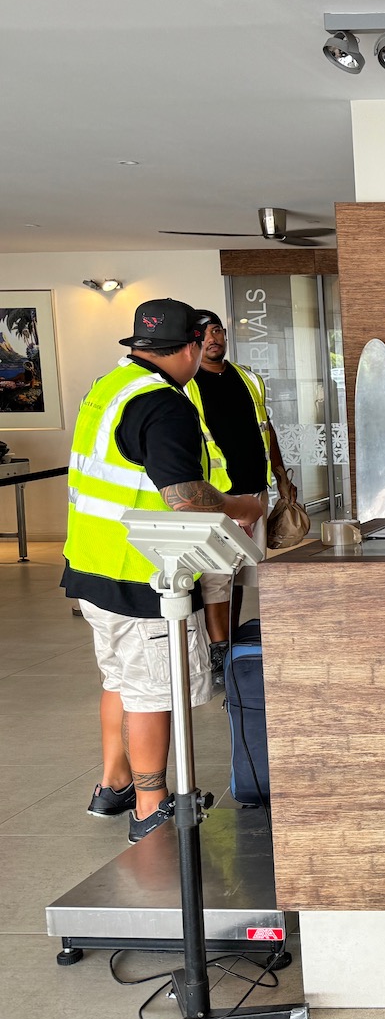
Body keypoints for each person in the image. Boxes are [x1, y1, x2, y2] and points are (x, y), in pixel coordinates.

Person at [61, 300, 265, 843]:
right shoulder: (163, 404)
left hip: (93, 563)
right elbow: (185, 498)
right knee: (154, 690)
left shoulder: (110, 385)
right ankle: (151, 807)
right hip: (142, 574)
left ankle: (115, 783)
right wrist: (244, 507)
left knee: (122, 679)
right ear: (194, 344)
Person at [184, 310, 293, 676]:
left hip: (253, 491)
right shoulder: (187, 384)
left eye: (216, 331)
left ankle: (231, 639)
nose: (212, 339)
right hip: (216, 497)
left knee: (243, 571)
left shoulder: (246, 378)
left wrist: (280, 475)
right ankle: (219, 650)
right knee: (217, 576)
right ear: (193, 343)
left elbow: (267, 427)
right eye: (203, 335)